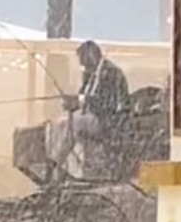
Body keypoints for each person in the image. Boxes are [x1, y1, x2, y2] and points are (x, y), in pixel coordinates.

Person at [49, 40, 131, 175]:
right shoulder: (90, 74)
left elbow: (107, 104)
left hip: (109, 121)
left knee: (74, 124)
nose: (82, 65)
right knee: (60, 122)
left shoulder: (111, 73)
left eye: (83, 61)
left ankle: (56, 163)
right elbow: (83, 97)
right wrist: (72, 103)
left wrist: (81, 101)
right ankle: (52, 158)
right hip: (91, 116)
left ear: (92, 56)